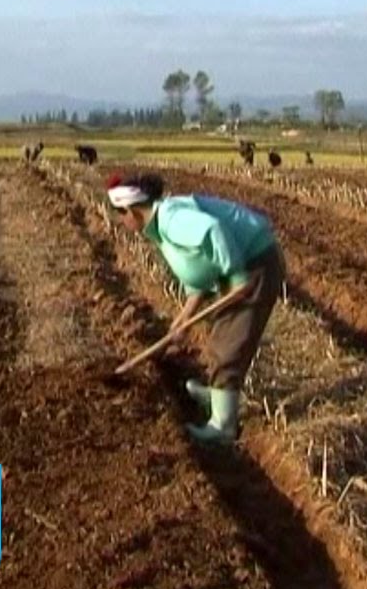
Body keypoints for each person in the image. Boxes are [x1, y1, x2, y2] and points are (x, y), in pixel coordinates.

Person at [107, 172, 286, 445]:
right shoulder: (158, 228)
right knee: (220, 333)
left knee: (230, 342)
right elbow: (199, 269)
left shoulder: (171, 220)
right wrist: (184, 318)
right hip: (242, 266)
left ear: (131, 210)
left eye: (120, 215)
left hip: (255, 265)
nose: (121, 222)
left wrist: (237, 276)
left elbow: (213, 230)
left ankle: (223, 427)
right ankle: (218, 396)